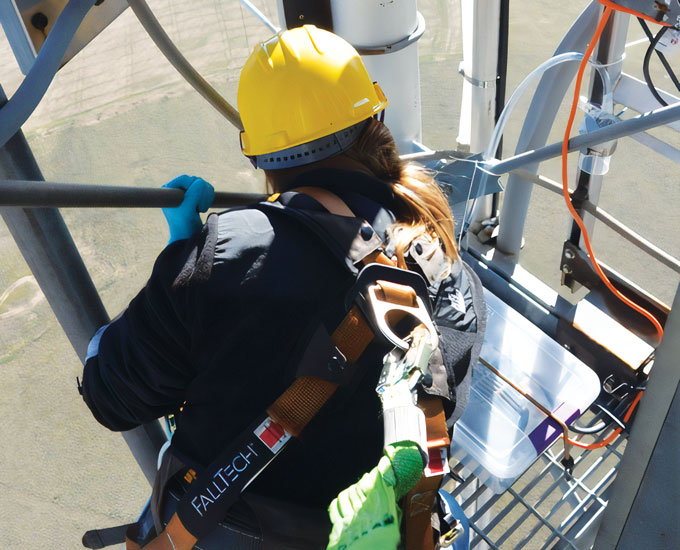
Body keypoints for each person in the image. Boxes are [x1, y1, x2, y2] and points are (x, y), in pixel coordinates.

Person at [81, 25, 484, 550]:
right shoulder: (449, 274)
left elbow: (110, 395)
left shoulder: (229, 253)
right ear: (375, 120)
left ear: (263, 158)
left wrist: (182, 260)